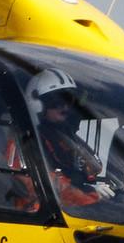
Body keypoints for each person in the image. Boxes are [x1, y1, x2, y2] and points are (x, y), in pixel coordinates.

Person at [24, 68, 115, 208]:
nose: (65, 107)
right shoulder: (26, 141)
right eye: (56, 101)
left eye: (69, 100)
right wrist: (90, 193)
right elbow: (41, 183)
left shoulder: (65, 138)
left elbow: (87, 171)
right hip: (37, 219)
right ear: (37, 105)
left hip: (70, 212)